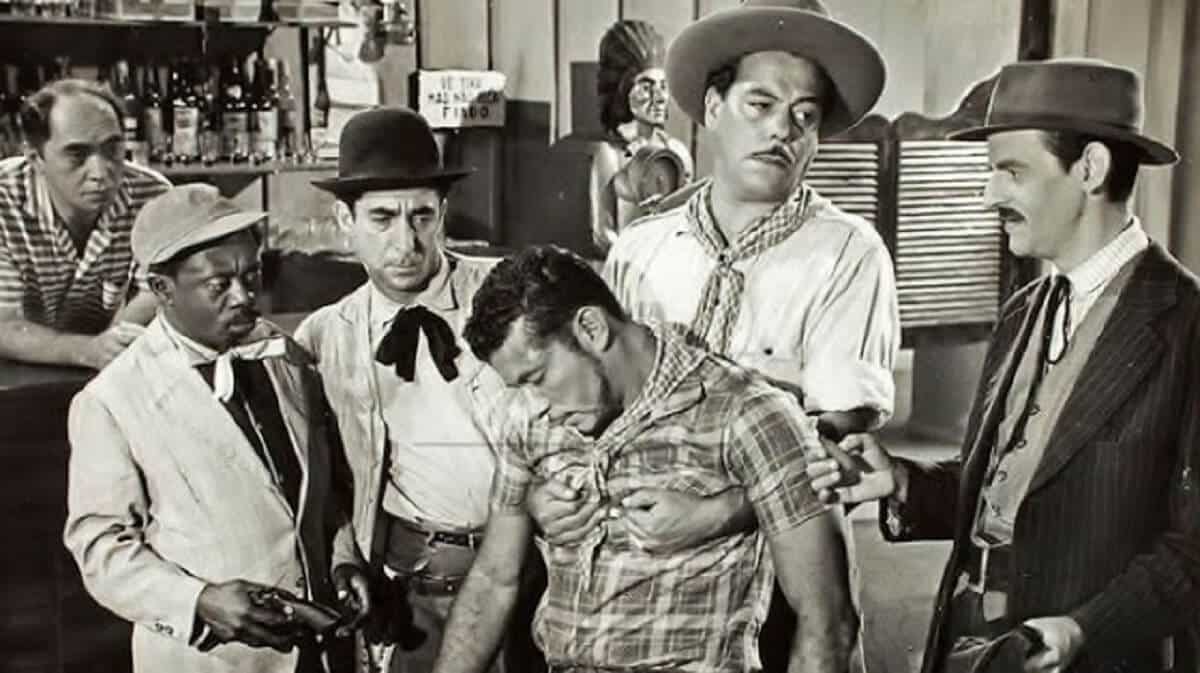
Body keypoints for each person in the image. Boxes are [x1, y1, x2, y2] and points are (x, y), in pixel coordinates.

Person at [530, 2, 898, 669]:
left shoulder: (847, 253)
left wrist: (720, 511)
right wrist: (556, 494)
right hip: (644, 573)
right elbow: (604, 400)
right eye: (760, 104)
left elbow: (838, 434)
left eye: (805, 115)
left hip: (781, 562)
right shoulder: (641, 249)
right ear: (712, 107)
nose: (782, 129)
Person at [807, 59, 1200, 673]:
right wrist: (904, 482)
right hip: (970, 644)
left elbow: (1193, 549)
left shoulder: (1186, 324)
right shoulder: (1025, 310)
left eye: (1011, 172)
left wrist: (1083, 630)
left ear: (1091, 168)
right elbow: (1010, 487)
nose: (990, 195)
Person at [429, 245, 858, 673]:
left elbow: (826, 620)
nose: (536, 405)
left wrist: (729, 510)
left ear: (592, 328)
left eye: (537, 378)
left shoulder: (747, 413)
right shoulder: (531, 418)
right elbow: (493, 579)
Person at [63, 184, 370, 673]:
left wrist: (342, 559)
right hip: (215, 660)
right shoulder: (112, 401)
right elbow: (101, 550)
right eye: (219, 284)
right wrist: (199, 601)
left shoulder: (284, 355)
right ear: (162, 289)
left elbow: (322, 486)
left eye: (252, 275)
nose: (245, 297)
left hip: (319, 650)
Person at [296, 107, 540, 673]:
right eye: (382, 218)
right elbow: (325, 481)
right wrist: (345, 559)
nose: (405, 242)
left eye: (422, 216)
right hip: (412, 596)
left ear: (443, 214)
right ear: (345, 220)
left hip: (532, 581)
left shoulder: (509, 298)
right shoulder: (326, 337)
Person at [0, 78, 171, 368]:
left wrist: (113, 345)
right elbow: (4, 324)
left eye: (112, 149)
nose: (100, 173)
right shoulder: (4, 200)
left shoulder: (153, 196)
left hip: (110, 369)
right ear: (35, 158)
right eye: (77, 155)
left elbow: (155, 294)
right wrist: (88, 350)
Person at [590, 19, 694, 256]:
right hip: (624, 266)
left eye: (663, 86)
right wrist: (634, 262)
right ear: (624, 90)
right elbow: (602, 232)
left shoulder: (678, 152)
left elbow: (687, 222)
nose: (659, 97)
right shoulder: (610, 154)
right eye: (647, 86)